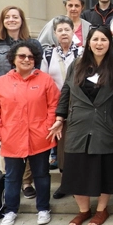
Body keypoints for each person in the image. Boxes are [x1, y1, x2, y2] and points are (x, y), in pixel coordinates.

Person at [48, 26, 113, 225]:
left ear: (110, 43)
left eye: (104, 40)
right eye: (95, 39)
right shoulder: (77, 65)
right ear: (88, 42)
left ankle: (101, 210)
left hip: (105, 125)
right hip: (78, 124)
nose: (99, 43)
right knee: (76, 168)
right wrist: (59, 117)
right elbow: (66, 91)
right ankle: (83, 211)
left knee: (104, 168)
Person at [0, 42, 61, 225]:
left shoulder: (44, 80)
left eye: (30, 56)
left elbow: (54, 105)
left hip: (39, 137)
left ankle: (43, 208)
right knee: (12, 177)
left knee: (41, 175)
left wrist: (47, 127)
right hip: (11, 138)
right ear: (13, 58)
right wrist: (0, 132)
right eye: (22, 56)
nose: (26, 60)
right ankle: (10, 210)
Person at [0, 6, 42, 199]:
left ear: (22, 20)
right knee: (7, 141)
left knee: (29, 140)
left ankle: (27, 182)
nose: (12, 20)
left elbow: (39, 74)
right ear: (3, 20)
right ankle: (10, 179)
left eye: (16, 17)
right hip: (5, 103)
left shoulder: (33, 44)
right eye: (8, 17)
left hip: (29, 101)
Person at [40, 16, 84, 198]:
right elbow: (43, 80)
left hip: (78, 106)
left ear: (73, 32)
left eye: (67, 29)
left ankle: (79, 183)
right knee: (61, 147)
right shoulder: (48, 54)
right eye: (60, 30)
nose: (64, 33)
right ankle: (65, 183)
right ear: (55, 33)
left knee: (76, 145)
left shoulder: (81, 53)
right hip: (56, 106)